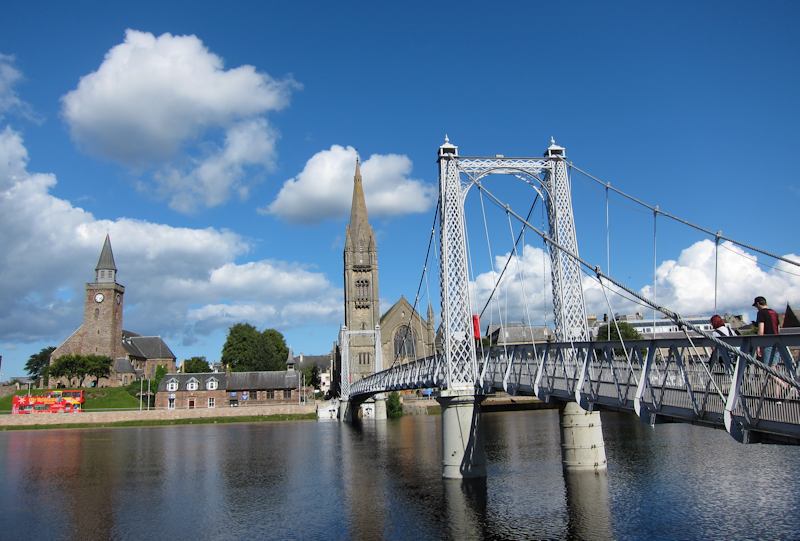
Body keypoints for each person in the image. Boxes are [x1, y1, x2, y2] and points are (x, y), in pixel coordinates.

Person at [753, 296, 780, 365]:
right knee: (774, 368)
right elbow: (778, 328)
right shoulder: (774, 313)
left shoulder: (761, 313)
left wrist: (758, 345)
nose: (756, 308)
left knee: (768, 369)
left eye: (756, 306)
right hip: (777, 342)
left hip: (767, 343)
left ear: (758, 304)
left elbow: (761, 331)